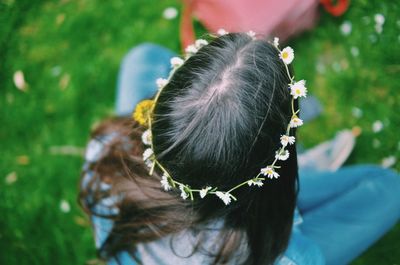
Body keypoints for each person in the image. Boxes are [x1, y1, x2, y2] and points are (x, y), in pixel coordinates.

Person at [79, 33, 400, 265]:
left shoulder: (105, 149)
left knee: (143, 56)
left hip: (148, 220)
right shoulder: (282, 256)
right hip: (245, 230)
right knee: (388, 188)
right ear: (277, 168)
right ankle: (308, 174)